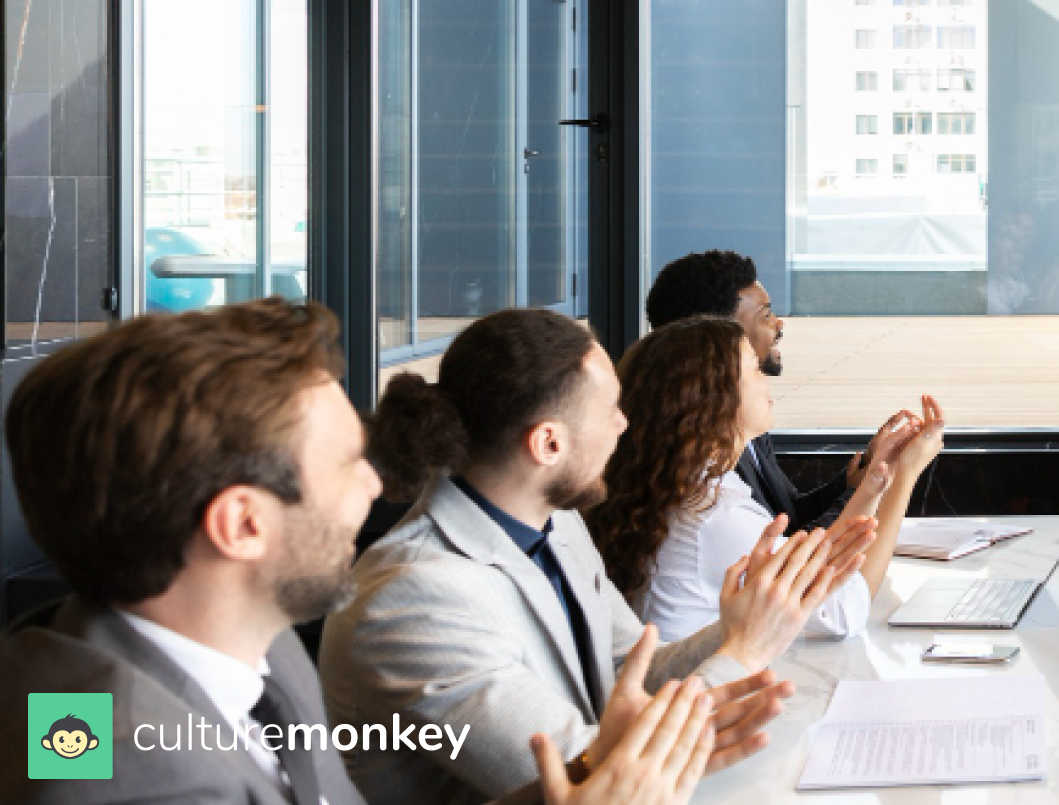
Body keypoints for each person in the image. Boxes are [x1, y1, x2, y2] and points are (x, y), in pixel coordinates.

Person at [0, 300, 751, 805]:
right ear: (241, 526)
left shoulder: (254, 652)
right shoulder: (125, 771)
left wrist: (584, 778)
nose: (373, 486)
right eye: (342, 465)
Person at [319, 308, 873, 805]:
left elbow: (629, 669)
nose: (624, 425)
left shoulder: (553, 520)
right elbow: (591, 778)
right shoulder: (413, 599)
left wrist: (748, 621)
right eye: (609, 409)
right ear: (548, 445)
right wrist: (744, 649)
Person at [589, 316, 948, 641]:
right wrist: (904, 477)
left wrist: (875, 481)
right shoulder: (715, 516)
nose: (765, 378)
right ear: (717, 399)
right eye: (754, 370)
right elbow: (845, 609)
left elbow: (816, 566)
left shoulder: (697, 489)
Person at [643, 250, 919, 528]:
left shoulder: (746, 422)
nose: (779, 323)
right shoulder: (702, 448)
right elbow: (786, 550)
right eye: (765, 315)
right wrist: (879, 484)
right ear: (720, 336)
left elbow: (788, 517)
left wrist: (859, 477)